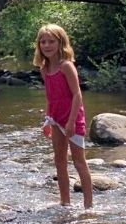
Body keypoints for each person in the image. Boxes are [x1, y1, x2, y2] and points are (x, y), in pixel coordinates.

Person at [34, 24, 93, 208]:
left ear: (61, 43)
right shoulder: (44, 68)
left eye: (51, 41)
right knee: (59, 160)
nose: (47, 45)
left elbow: (77, 95)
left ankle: (88, 206)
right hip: (56, 118)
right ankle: (65, 202)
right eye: (43, 42)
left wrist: (71, 122)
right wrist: (47, 119)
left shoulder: (66, 66)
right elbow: (50, 97)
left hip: (72, 119)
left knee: (79, 162)